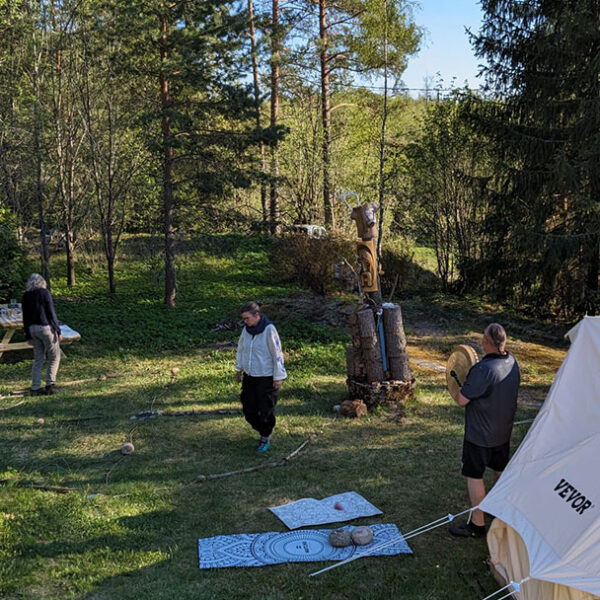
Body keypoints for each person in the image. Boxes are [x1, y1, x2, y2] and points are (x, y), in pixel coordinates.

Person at [450, 323, 520, 538]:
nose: (481, 342)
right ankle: (504, 513)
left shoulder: (483, 370)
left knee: (474, 475)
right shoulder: (512, 362)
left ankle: (477, 525)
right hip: (503, 432)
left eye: (483, 339)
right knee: (500, 471)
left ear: (487, 343)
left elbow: (462, 400)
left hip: (480, 436)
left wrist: (461, 384)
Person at [235, 301, 287, 453]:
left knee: (265, 411)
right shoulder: (246, 330)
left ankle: (266, 435)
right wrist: (239, 369)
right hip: (250, 376)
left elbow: (277, 354)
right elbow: (241, 349)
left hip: (267, 377)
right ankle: (264, 430)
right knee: (249, 409)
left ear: (256, 315)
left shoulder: (269, 330)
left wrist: (278, 377)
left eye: (247, 318)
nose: (245, 322)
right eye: (243, 319)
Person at [21, 273, 62, 395]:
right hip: (45, 328)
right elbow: (51, 313)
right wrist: (58, 330)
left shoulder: (26, 296)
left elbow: (25, 317)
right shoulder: (44, 293)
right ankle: (50, 385)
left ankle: (35, 387)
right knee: (54, 356)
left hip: (33, 329)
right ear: (42, 282)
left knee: (38, 358)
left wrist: (28, 335)